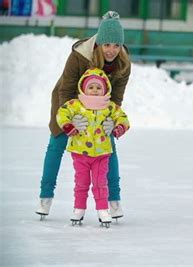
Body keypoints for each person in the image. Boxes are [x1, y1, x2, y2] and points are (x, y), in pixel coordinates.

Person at [35, 11, 131, 220]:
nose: (112, 50)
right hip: (67, 102)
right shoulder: (80, 55)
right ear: (98, 43)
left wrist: (110, 121)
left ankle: (114, 201)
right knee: (57, 143)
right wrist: (69, 119)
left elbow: (116, 98)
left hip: (102, 107)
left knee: (108, 148)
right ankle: (45, 198)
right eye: (107, 44)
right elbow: (66, 90)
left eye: (116, 45)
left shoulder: (124, 63)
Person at [57, 68, 129, 227]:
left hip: (102, 154)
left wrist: (118, 128)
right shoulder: (75, 104)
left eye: (98, 88)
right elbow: (61, 113)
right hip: (80, 152)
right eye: (91, 87)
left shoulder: (109, 107)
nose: (95, 91)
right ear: (83, 88)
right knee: (81, 183)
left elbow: (123, 118)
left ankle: (103, 210)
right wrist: (68, 126)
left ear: (105, 89)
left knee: (100, 183)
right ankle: (79, 208)